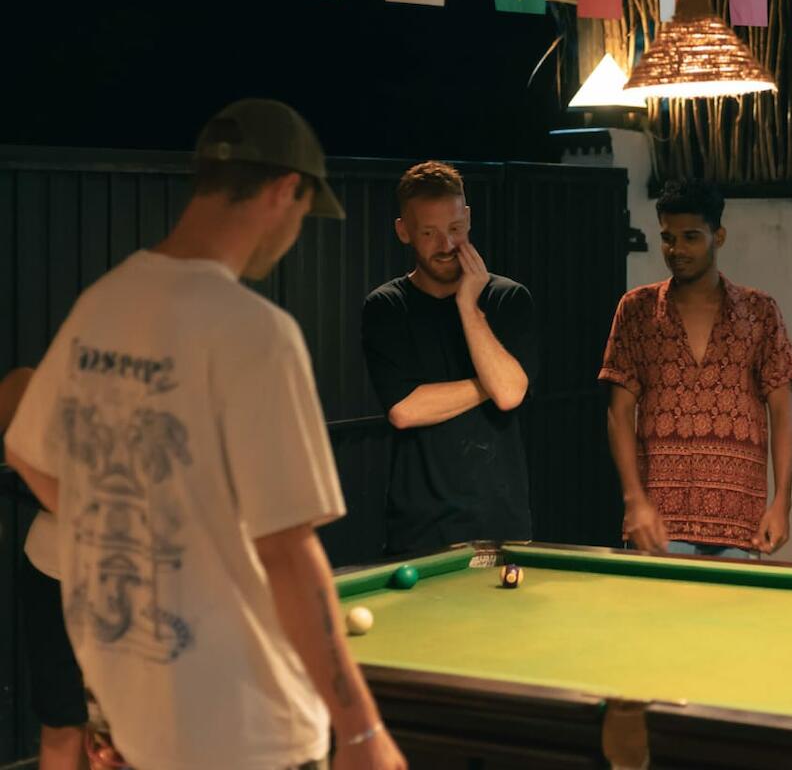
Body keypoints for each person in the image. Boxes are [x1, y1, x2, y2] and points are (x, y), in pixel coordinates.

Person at [3, 98, 405, 770]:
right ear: (286, 190)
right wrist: (360, 730)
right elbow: (287, 549)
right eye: (303, 213)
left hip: (139, 723)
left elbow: (23, 447)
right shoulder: (254, 332)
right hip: (250, 730)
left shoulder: (102, 304)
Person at [600, 179, 792, 557]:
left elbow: (782, 410)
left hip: (739, 518)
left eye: (690, 237)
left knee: (734, 617)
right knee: (654, 617)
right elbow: (620, 410)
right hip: (659, 519)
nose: (676, 249)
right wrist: (633, 499)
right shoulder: (636, 310)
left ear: (718, 236)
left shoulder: (760, 312)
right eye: (668, 238)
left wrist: (782, 502)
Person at [362, 161, 535, 556]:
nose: (446, 245)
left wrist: (469, 307)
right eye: (429, 233)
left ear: (468, 219)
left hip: (499, 524)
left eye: (455, 229)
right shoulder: (387, 307)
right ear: (403, 231)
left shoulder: (509, 299)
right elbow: (405, 409)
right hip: (418, 530)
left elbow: (509, 394)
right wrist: (487, 385)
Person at [4, 367, 87, 770]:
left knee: (136, 729)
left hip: (139, 578)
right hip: (55, 572)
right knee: (63, 722)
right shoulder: (47, 377)